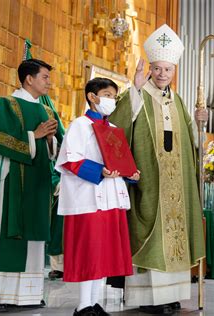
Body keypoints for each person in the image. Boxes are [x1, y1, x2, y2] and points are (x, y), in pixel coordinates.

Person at [109, 24, 206, 315]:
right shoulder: (137, 95)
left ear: (174, 71)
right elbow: (118, 124)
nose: (163, 74)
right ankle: (148, 298)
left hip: (176, 184)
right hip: (149, 180)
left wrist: (200, 124)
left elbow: (193, 143)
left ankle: (172, 295)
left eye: (168, 69)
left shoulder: (178, 101)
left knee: (176, 237)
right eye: (158, 68)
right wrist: (135, 87)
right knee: (149, 232)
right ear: (150, 68)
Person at [0, 58, 60, 311]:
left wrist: (50, 140)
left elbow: (52, 153)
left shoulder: (47, 111)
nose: (49, 83)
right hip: (10, 183)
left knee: (33, 236)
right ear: (29, 79)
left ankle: (27, 295)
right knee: (6, 234)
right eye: (45, 77)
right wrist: (35, 135)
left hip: (37, 184)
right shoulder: (5, 105)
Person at [56, 77, 139, 316]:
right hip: (87, 198)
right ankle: (82, 306)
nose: (111, 100)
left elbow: (120, 162)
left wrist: (131, 174)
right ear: (93, 97)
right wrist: (99, 171)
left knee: (104, 253)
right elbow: (70, 160)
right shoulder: (79, 125)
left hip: (111, 197)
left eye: (114, 96)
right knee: (89, 252)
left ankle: (94, 303)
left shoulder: (113, 130)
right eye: (107, 95)